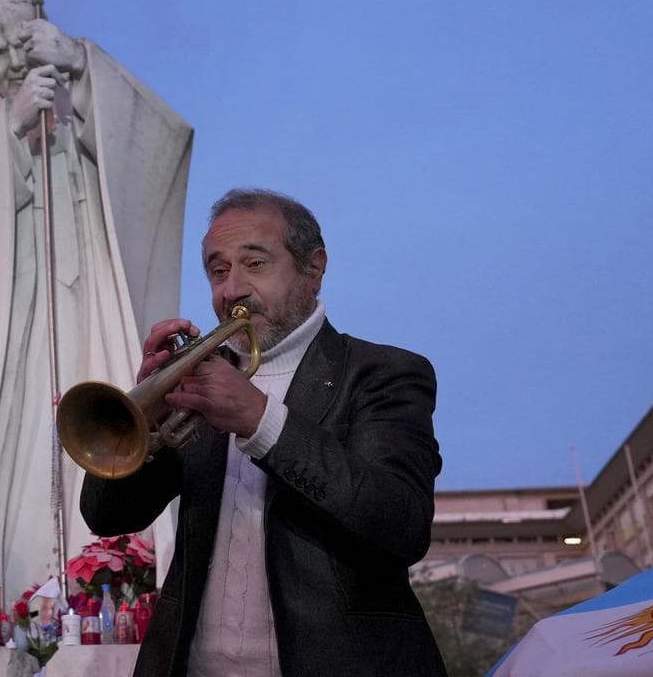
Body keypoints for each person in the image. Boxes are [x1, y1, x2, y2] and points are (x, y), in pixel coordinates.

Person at [80, 189, 447, 677]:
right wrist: (143, 419)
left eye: (254, 264)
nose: (232, 290)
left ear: (313, 269)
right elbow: (106, 516)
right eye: (218, 270)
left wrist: (260, 419)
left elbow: (401, 522)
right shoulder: (202, 378)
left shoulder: (383, 373)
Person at [0, 0, 192, 599]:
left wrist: (83, 70)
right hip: (14, 317)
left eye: (22, 44)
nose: (11, 62)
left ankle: (127, 571)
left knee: (111, 398)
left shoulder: (77, 97)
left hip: (92, 303)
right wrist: (4, 136)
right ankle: (14, 583)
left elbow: (165, 139)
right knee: (21, 433)